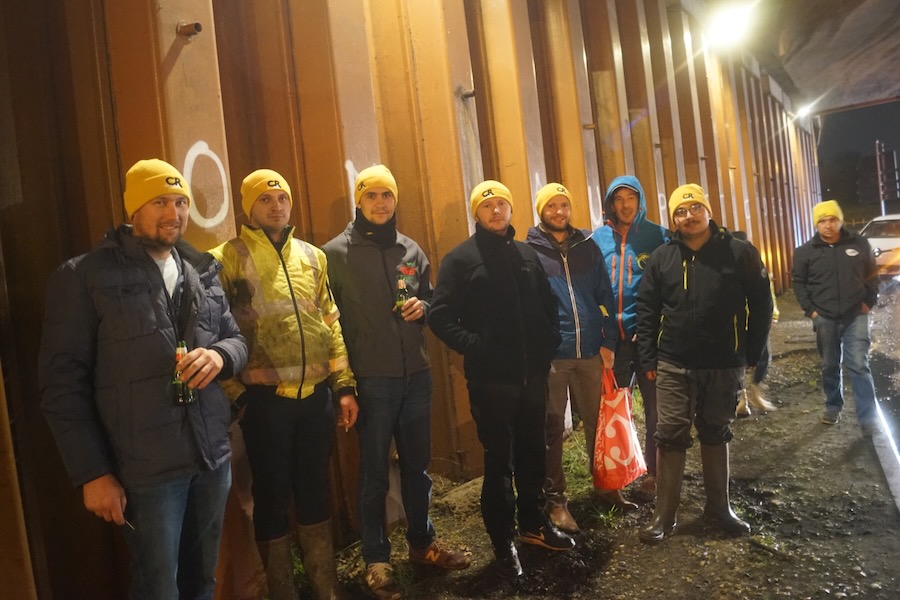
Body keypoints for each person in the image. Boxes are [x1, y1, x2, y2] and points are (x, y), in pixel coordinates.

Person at [38, 158, 249, 600]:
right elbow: (61, 385)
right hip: (145, 471)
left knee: (201, 582)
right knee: (158, 589)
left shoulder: (201, 269)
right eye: (159, 202)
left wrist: (220, 356)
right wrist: (92, 473)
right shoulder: (84, 277)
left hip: (210, 458)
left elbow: (236, 340)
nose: (173, 213)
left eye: (180, 202)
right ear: (133, 208)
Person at [209, 169, 359, 600]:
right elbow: (212, 333)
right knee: (272, 496)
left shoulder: (312, 257)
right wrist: (238, 396)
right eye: (265, 199)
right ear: (248, 207)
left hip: (315, 400)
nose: (276, 206)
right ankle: (282, 590)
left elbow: (331, 323)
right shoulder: (225, 258)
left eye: (282, 198)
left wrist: (343, 385)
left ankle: (325, 586)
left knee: (315, 489)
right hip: (264, 403)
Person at [322, 165, 469, 600]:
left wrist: (423, 308)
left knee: (417, 469)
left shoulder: (411, 249)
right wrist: (344, 385)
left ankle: (422, 544)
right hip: (371, 381)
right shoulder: (334, 254)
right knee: (373, 474)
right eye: (371, 195)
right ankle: (376, 559)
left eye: (387, 195)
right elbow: (326, 323)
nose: (380, 203)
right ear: (359, 201)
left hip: (415, 377)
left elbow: (432, 298)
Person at [430, 180, 575, 580]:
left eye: (501, 204)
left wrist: (548, 343)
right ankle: (502, 540)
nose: (496, 211)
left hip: (532, 377)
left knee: (533, 454)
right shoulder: (461, 260)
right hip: (491, 382)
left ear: (511, 210)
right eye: (487, 205)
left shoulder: (526, 254)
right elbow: (439, 316)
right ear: (476, 213)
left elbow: (548, 304)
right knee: (499, 463)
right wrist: (476, 347)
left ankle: (532, 525)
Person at [636, 183, 772, 544]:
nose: (689, 216)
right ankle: (664, 515)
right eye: (680, 211)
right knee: (670, 433)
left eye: (695, 207)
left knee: (715, 429)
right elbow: (647, 310)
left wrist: (752, 352)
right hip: (673, 362)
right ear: (674, 220)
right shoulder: (662, 257)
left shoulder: (739, 252)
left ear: (708, 211)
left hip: (723, 361)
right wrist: (648, 357)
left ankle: (719, 509)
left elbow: (761, 303)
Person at [525, 182, 621, 532]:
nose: (559, 211)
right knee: (552, 428)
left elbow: (605, 294)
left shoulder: (586, 246)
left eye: (564, 205)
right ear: (541, 210)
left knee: (598, 424)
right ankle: (556, 501)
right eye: (551, 205)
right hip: (554, 355)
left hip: (590, 351)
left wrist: (609, 340)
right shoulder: (530, 252)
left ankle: (606, 485)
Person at [593, 175, 669, 495]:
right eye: (619, 199)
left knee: (655, 408)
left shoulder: (659, 237)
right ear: (611, 204)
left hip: (647, 337)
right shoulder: (597, 239)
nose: (625, 205)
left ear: (641, 201)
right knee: (613, 408)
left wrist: (657, 326)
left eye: (631, 198)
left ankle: (656, 471)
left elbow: (670, 287)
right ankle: (617, 473)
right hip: (613, 340)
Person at [792, 200, 880, 436]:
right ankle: (833, 406)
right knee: (829, 364)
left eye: (832, 219)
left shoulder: (859, 244)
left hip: (856, 314)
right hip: (824, 317)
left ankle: (868, 418)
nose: (828, 225)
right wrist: (811, 311)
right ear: (816, 224)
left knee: (859, 365)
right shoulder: (805, 252)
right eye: (822, 221)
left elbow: (873, 275)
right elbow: (799, 283)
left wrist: (868, 301)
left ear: (841, 221)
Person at [731, 230, 779, 416]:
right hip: (737, 324)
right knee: (739, 362)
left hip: (756, 322)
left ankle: (755, 391)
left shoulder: (753, 262)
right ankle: (742, 398)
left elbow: (766, 295)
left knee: (763, 357)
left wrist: (773, 314)